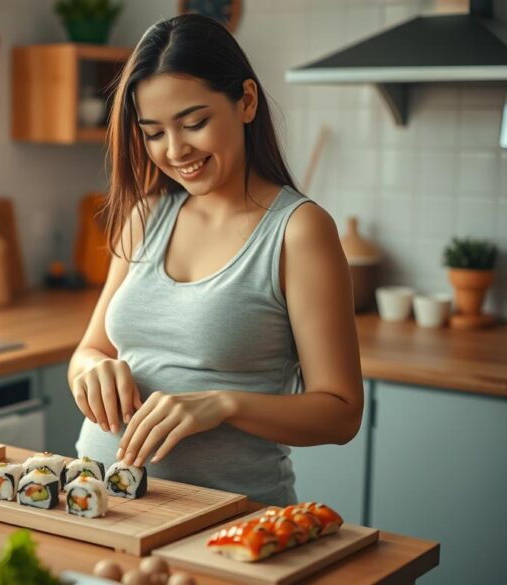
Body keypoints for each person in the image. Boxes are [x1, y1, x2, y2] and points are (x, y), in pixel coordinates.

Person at [67, 14, 363, 506]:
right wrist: (93, 371)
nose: (175, 150)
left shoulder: (298, 231)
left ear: (246, 101)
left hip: (227, 521)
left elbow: (341, 412)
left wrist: (223, 405)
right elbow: (89, 351)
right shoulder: (145, 215)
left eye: (195, 123)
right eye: (154, 132)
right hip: (97, 499)